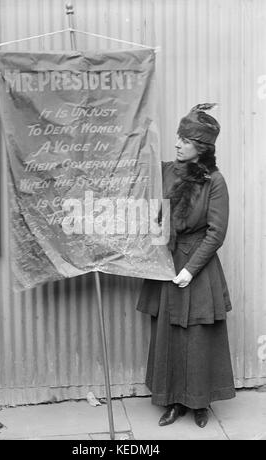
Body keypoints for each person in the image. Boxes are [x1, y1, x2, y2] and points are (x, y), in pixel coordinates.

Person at [136, 103, 236, 428]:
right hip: (166, 262)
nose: (177, 144)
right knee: (170, 336)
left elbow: (216, 233)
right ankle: (174, 402)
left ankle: (200, 402)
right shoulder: (166, 170)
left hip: (198, 267)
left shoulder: (215, 182)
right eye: (177, 138)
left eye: (185, 140)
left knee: (197, 337)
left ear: (201, 148)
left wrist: (190, 269)